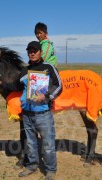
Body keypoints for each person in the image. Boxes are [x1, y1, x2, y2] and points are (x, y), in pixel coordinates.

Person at [17, 41, 62, 180]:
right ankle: (32, 166)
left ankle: (50, 170)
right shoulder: (24, 70)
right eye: (29, 51)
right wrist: (1, 83)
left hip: (43, 114)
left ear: (40, 52)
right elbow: (17, 86)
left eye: (35, 50)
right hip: (27, 114)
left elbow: (59, 86)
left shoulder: (48, 67)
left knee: (48, 144)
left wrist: (46, 95)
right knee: (31, 143)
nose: (32, 53)